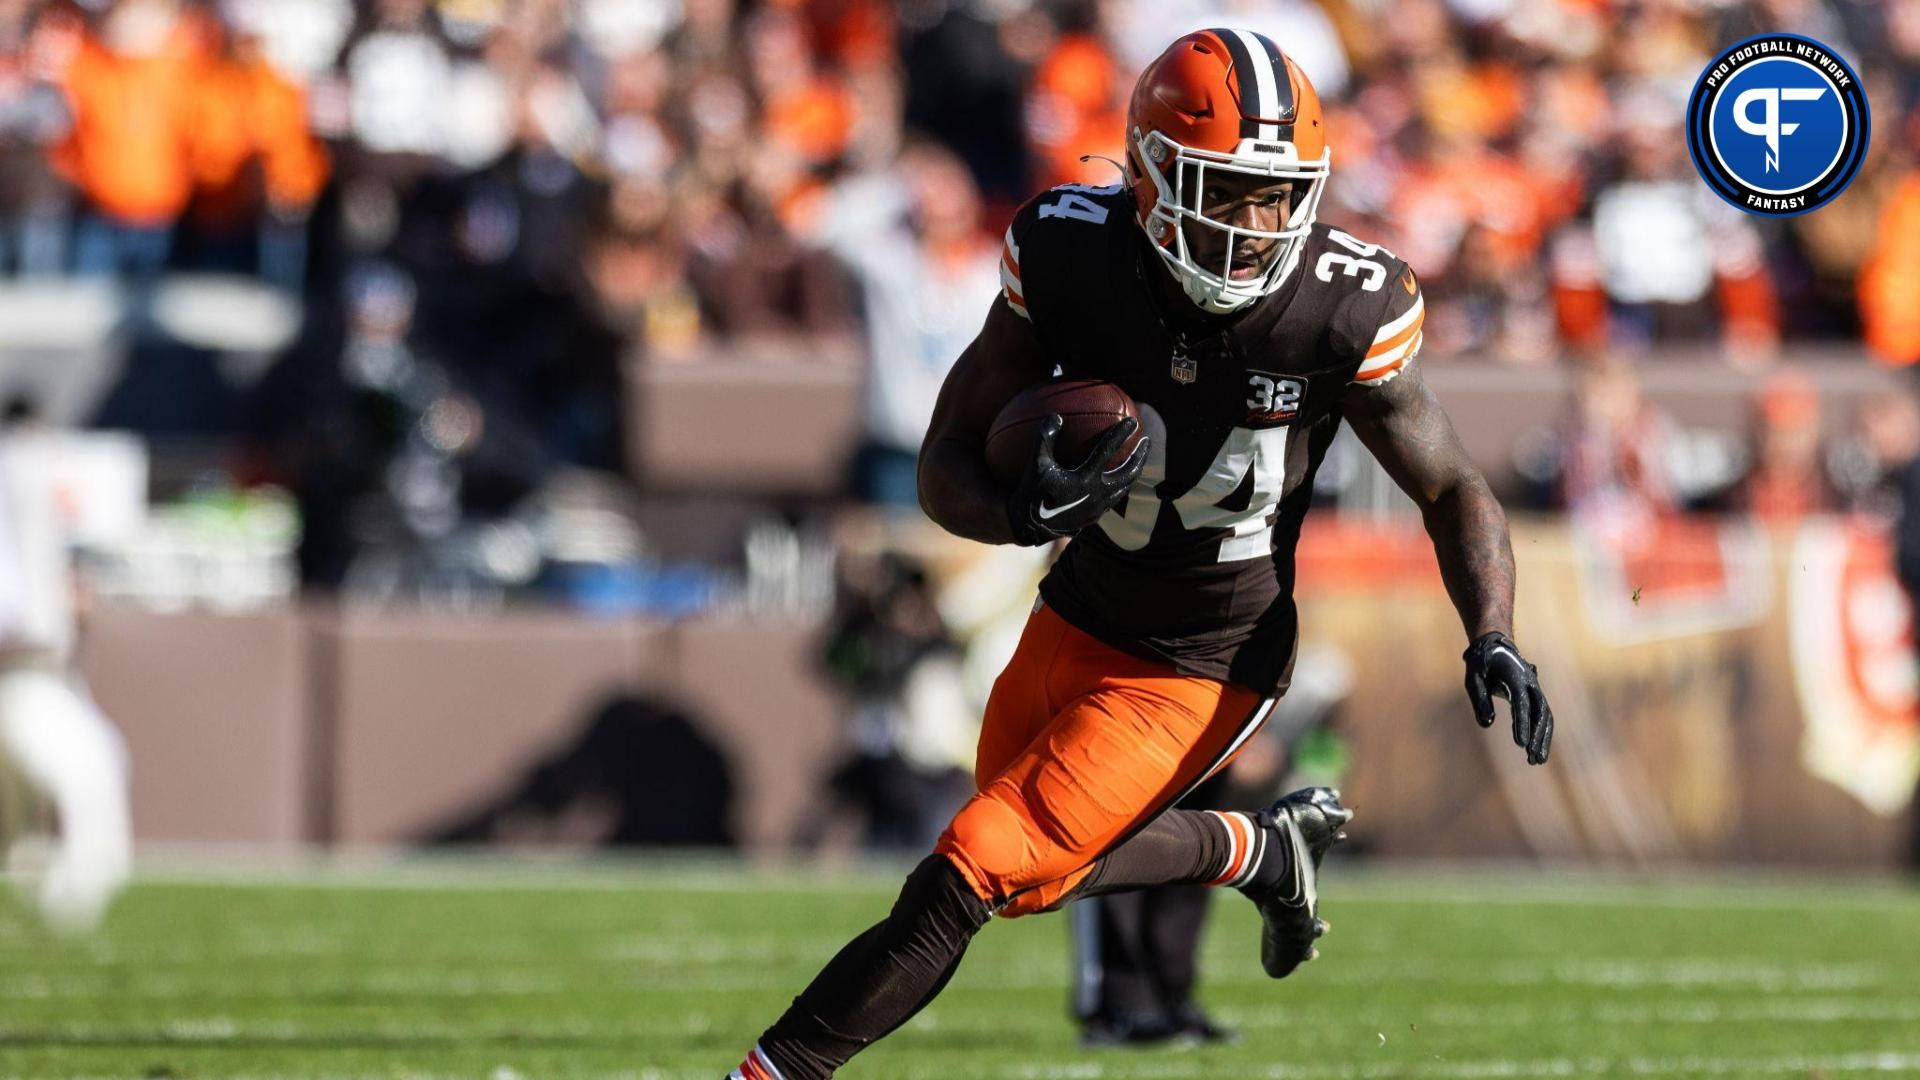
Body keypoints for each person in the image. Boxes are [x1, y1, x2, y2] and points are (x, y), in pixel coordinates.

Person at [726, 29, 1554, 1080]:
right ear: (1153, 174)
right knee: (1035, 870)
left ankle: (769, 1073)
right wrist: (1023, 514)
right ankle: (1257, 849)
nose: (1255, 226)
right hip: (1079, 605)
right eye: (1227, 189)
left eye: (1276, 194)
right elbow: (944, 463)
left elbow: (1450, 486)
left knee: (970, 868)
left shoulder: (1344, 306)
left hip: (1209, 659)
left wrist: (1493, 633)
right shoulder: (1073, 254)